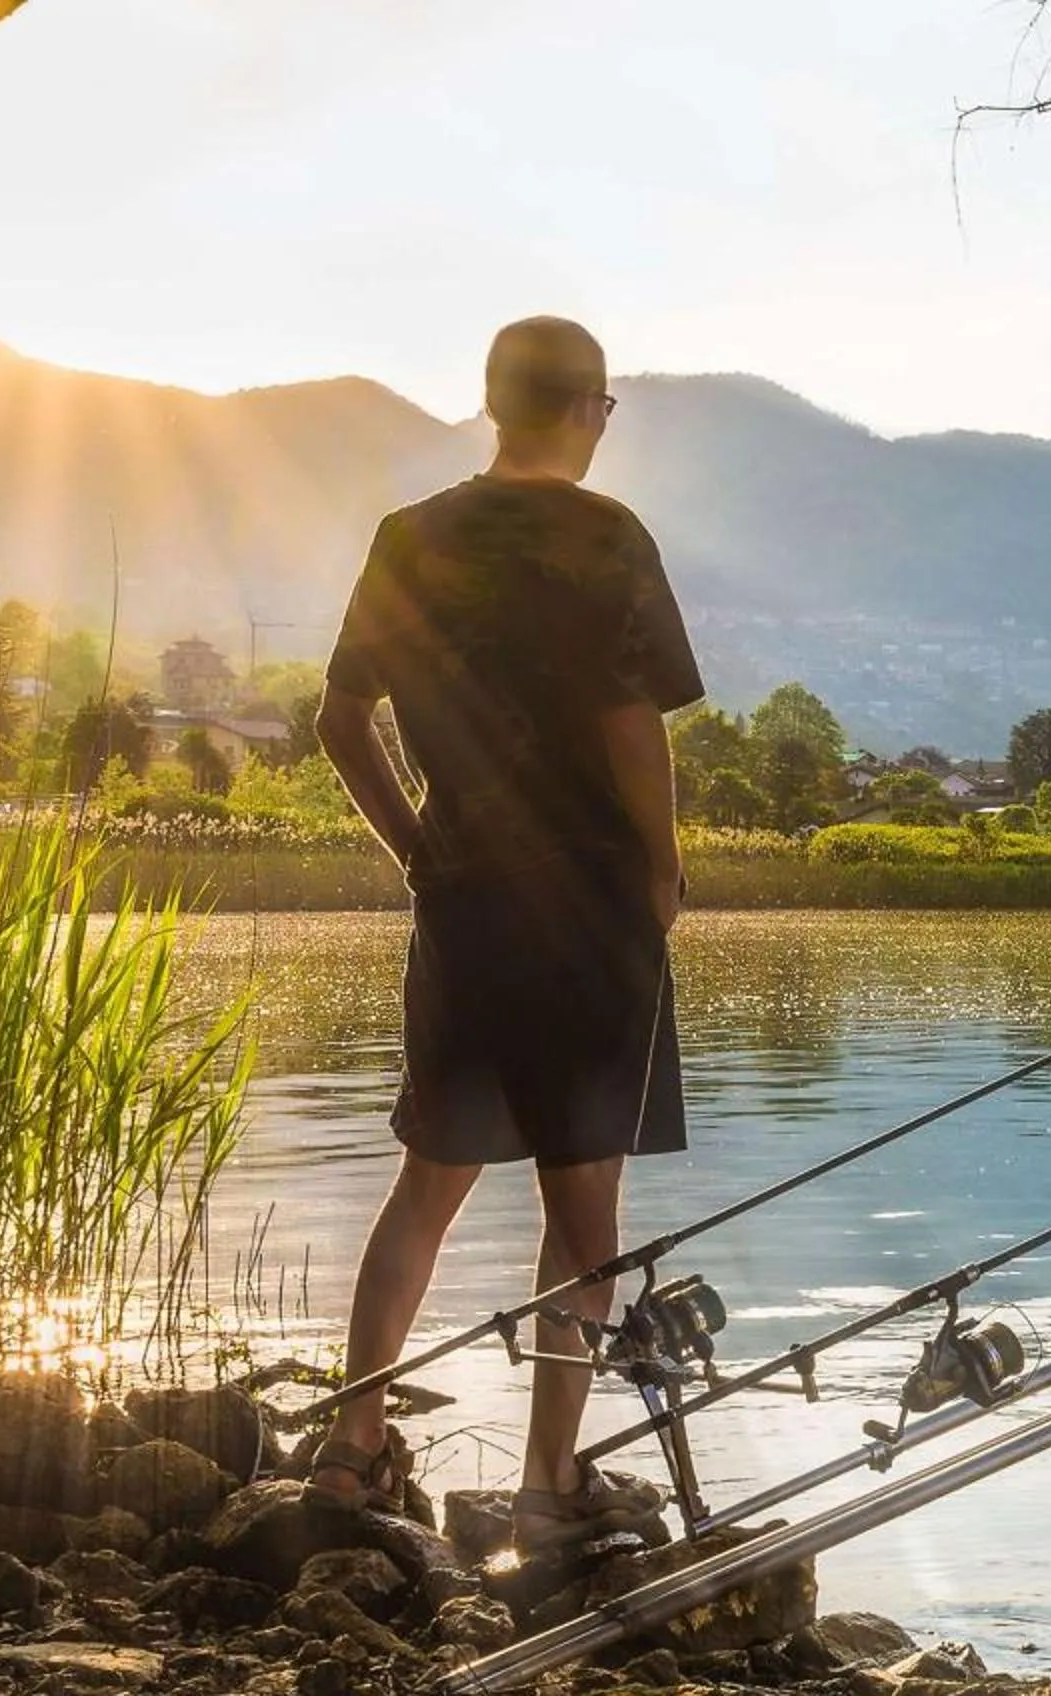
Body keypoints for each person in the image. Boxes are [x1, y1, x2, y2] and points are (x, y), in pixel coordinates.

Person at [307, 315, 704, 1550]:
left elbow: (338, 718)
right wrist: (665, 867)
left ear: (491, 403)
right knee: (584, 1209)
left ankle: (351, 1449)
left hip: (466, 897)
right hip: (589, 902)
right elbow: (631, 722)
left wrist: (417, 847)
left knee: (427, 1182)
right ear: (586, 406)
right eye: (604, 409)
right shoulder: (606, 538)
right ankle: (549, 1481)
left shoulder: (410, 537)